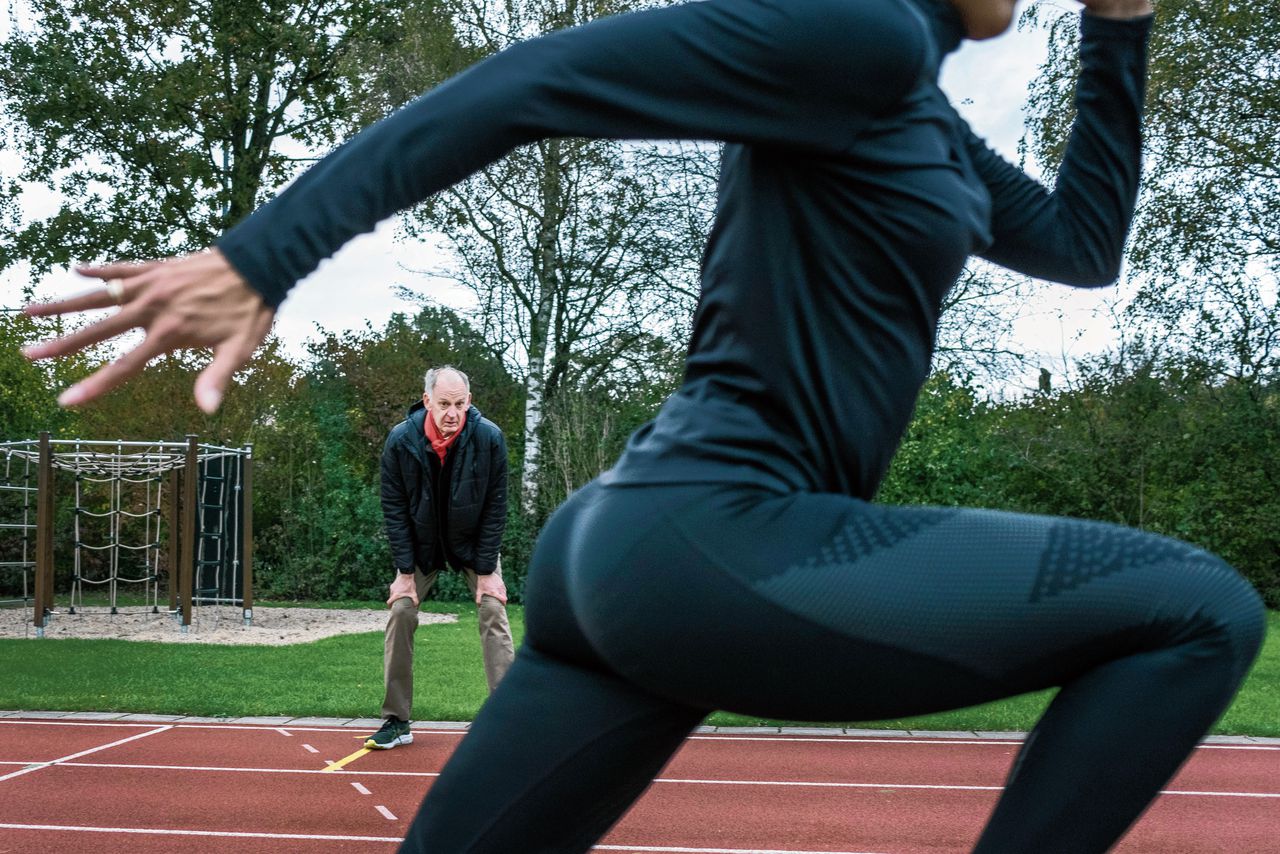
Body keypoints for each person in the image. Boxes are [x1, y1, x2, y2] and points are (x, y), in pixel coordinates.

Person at [23, 0, 1267, 851]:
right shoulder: (858, 34)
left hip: (633, 560)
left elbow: (1082, 245)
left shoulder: (922, 123)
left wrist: (1120, 30)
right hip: (718, 535)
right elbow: (539, 79)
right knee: (1194, 608)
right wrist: (264, 253)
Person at [367, 365, 514, 750]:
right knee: (400, 611)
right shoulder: (400, 440)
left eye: (460, 404)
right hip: (421, 544)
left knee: (493, 610)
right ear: (427, 400)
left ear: (470, 401)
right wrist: (403, 572)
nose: (453, 413)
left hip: (472, 541)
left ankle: (510, 719)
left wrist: (486, 572)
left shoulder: (489, 438)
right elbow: (394, 509)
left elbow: (496, 507)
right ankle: (397, 721)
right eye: (445, 404)